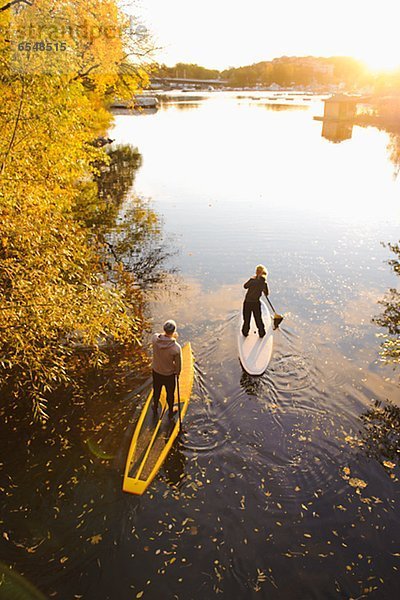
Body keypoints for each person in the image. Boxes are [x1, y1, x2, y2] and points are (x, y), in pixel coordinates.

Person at [152, 319, 182, 419]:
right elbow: (178, 365)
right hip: (169, 375)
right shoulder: (176, 348)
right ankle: (170, 411)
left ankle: (155, 406)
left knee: (156, 391)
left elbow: (159, 335)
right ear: (174, 331)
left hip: (156, 372)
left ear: (164, 329)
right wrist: (177, 373)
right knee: (170, 394)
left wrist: (169, 335)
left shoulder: (154, 339)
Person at [242, 264, 269, 337]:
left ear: (256, 272)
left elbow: (245, 286)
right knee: (258, 318)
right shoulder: (264, 283)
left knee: (247, 318)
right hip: (256, 303)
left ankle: (245, 333)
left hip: (248, 302)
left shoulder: (252, 280)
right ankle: (262, 333)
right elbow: (267, 294)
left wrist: (252, 279)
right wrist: (263, 289)